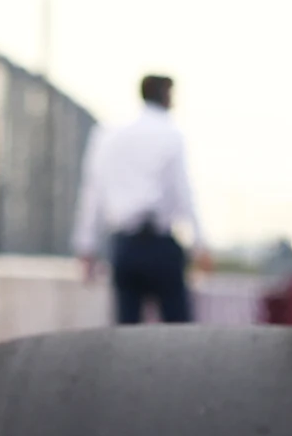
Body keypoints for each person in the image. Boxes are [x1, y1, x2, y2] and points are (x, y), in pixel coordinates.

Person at [73, 75, 203, 325]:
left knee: (126, 332)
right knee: (179, 335)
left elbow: (93, 192)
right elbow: (184, 192)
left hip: (124, 247)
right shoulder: (170, 134)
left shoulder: (108, 135)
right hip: (161, 245)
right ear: (165, 95)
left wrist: (86, 246)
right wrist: (200, 242)